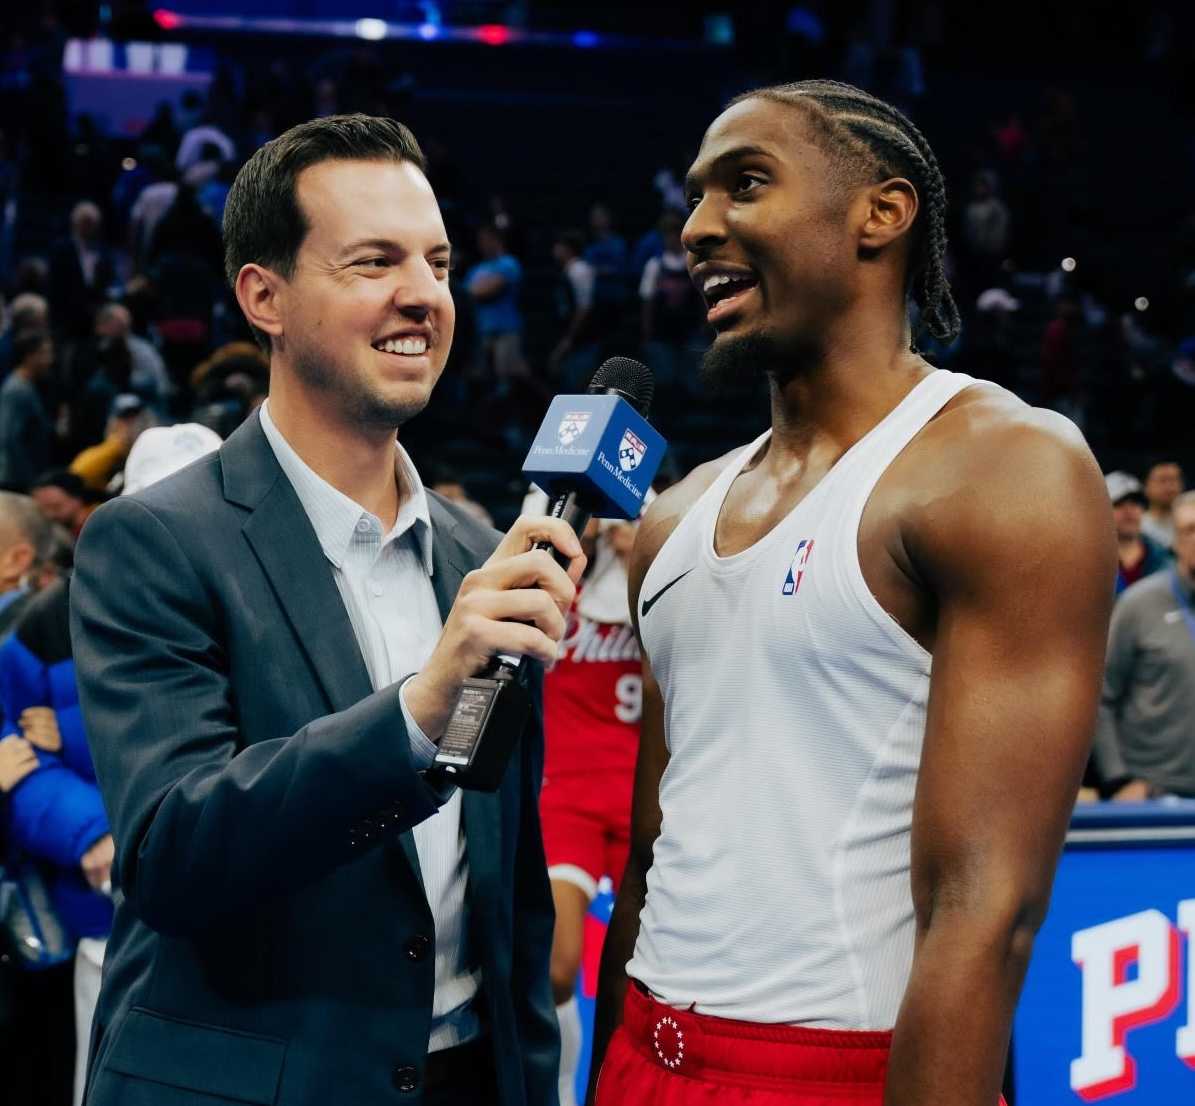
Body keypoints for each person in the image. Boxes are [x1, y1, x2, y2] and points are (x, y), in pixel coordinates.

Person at [588, 80, 1114, 1106]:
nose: (697, 229)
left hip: (844, 1071)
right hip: (643, 1058)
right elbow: (651, 855)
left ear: (881, 212)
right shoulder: (672, 519)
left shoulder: (1003, 468)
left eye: (745, 184)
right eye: (693, 199)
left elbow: (983, 910)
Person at [71, 113, 581, 1106]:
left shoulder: (480, 554)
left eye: (437, 262)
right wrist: (417, 711)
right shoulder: (153, 540)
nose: (422, 294)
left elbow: (505, 882)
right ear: (263, 296)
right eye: (373, 261)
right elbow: (171, 854)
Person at [540, 513, 644, 1106]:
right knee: (558, 968)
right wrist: (574, 539)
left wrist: (643, 559)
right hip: (569, 795)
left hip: (644, 797)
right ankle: (559, 1095)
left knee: (641, 979)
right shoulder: (556, 590)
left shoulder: (656, 589)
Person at [1092, 491, 1195, 801]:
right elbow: (1101, 696)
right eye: (1190, 530)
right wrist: (1118, 779)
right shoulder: (1138, 604)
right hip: (1154, 793)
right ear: (1174, 540)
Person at [465, 223, 529, 383]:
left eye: (486, 239)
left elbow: (487, 290)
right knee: (482, 379)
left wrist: (475, 289)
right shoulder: (476, 268)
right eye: (480, 240)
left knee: (508, 377)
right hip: (482, 331)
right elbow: (466, 294)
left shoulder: (509, 264)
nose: (482, 244)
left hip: (506, 330)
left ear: (497, 240)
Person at [0, 329, 55, 492]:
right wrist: (30, 482)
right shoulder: (17, 390)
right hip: (16, 482)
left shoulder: (26, 386)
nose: (50, 360)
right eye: (45, 353)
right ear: (29, 356)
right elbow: (9, 438)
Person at [1106, 470, 1171, 594]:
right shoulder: (1091, 562)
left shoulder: (1166, 558)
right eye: (1118, 504)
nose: (1129, 511)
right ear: (1102, 510)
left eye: (1135, 503)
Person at [30, 471, 105, 539]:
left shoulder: (101, 521)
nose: (50, 515)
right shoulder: (62, 535)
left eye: (56, 507)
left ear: (76, 498)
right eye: (42, 511)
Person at [1140, 458, 1185, 550]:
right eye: (1162, 480)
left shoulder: (1191, 521)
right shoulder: (1138, 526)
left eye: (1173, 480)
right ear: (1146, 486)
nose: (1169, 487)